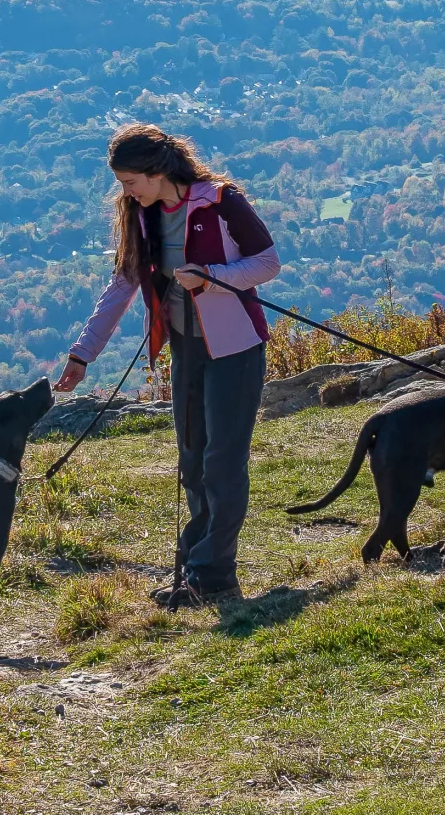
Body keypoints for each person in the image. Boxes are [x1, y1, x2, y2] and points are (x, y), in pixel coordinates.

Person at [55, 124, 280, 606]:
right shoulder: (143, 216)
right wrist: (82, 354)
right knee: (193, 460)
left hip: (236, 348)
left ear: (157, 173)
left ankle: (212, 573)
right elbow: (123, 284)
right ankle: (199, 565)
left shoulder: (221, 202)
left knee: (222, 462)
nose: (125, 191)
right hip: (186, 347)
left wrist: (212, 278)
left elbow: (267, 263)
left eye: (129, 181)